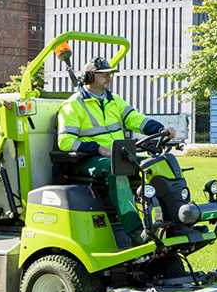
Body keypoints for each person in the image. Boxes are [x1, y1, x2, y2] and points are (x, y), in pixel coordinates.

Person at [57, 57, 176, 240]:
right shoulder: (73, 105)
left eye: (110, 74)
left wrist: (160, 130)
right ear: (89, 77)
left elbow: (137, 119)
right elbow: (65, 141)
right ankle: (136, 231)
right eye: (104, 74)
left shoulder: (114, 101)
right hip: (85, 160)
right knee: (116, 170)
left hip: (118, 157)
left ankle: (174, 222)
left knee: (157, 167)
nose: (109, 77)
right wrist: (98, 149)